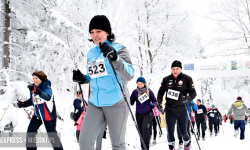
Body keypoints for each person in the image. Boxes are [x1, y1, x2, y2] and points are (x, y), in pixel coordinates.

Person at [72, 15, 134, 150]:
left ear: (107, 32)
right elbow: (93, 75)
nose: (95, 35)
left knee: (117, 144)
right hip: (96, 103)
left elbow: (129, 74)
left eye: (98, 31)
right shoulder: (91, 53)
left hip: (117, 102)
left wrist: (115, 57)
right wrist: (83, 78)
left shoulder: (119, 49)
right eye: (92, 32)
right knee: (84, 142)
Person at [17, 71, 63, 150]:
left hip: (48, 115)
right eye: (33, 78)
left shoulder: (47, 87)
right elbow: (32, 101)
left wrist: (38, 92)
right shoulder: (33, 88)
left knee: (52, 136)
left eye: (36, 78)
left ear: (41, 79)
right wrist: (23, 104)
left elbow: (47, 97)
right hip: (37, 115)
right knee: (30, 133)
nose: (34, 80)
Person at [157, 60, 197, 150]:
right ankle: (171, 147)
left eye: (177, 69)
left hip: (182, 109)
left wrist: (187, 99)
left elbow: (193, 93)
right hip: (170, 109)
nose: (175, 71)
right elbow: (160, 92)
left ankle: (187, 143)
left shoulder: (187, 79)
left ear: (181, 69)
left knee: (183, 132)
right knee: (170, 131)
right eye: (173, 69)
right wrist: (159, 102)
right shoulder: (166, 79)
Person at [130, 77, 157, 150]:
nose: (140, 85)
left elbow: (155, 101)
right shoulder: (135, 92)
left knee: (145, 127)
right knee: (140, 130)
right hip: (138, 114)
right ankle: (143, 147)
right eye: (138, 84)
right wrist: (131, 101)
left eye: (141, 84)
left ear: (144, 84)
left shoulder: (149, 91)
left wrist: (153, 105)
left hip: (148, 113)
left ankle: (146, 147)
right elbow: (131, 101)